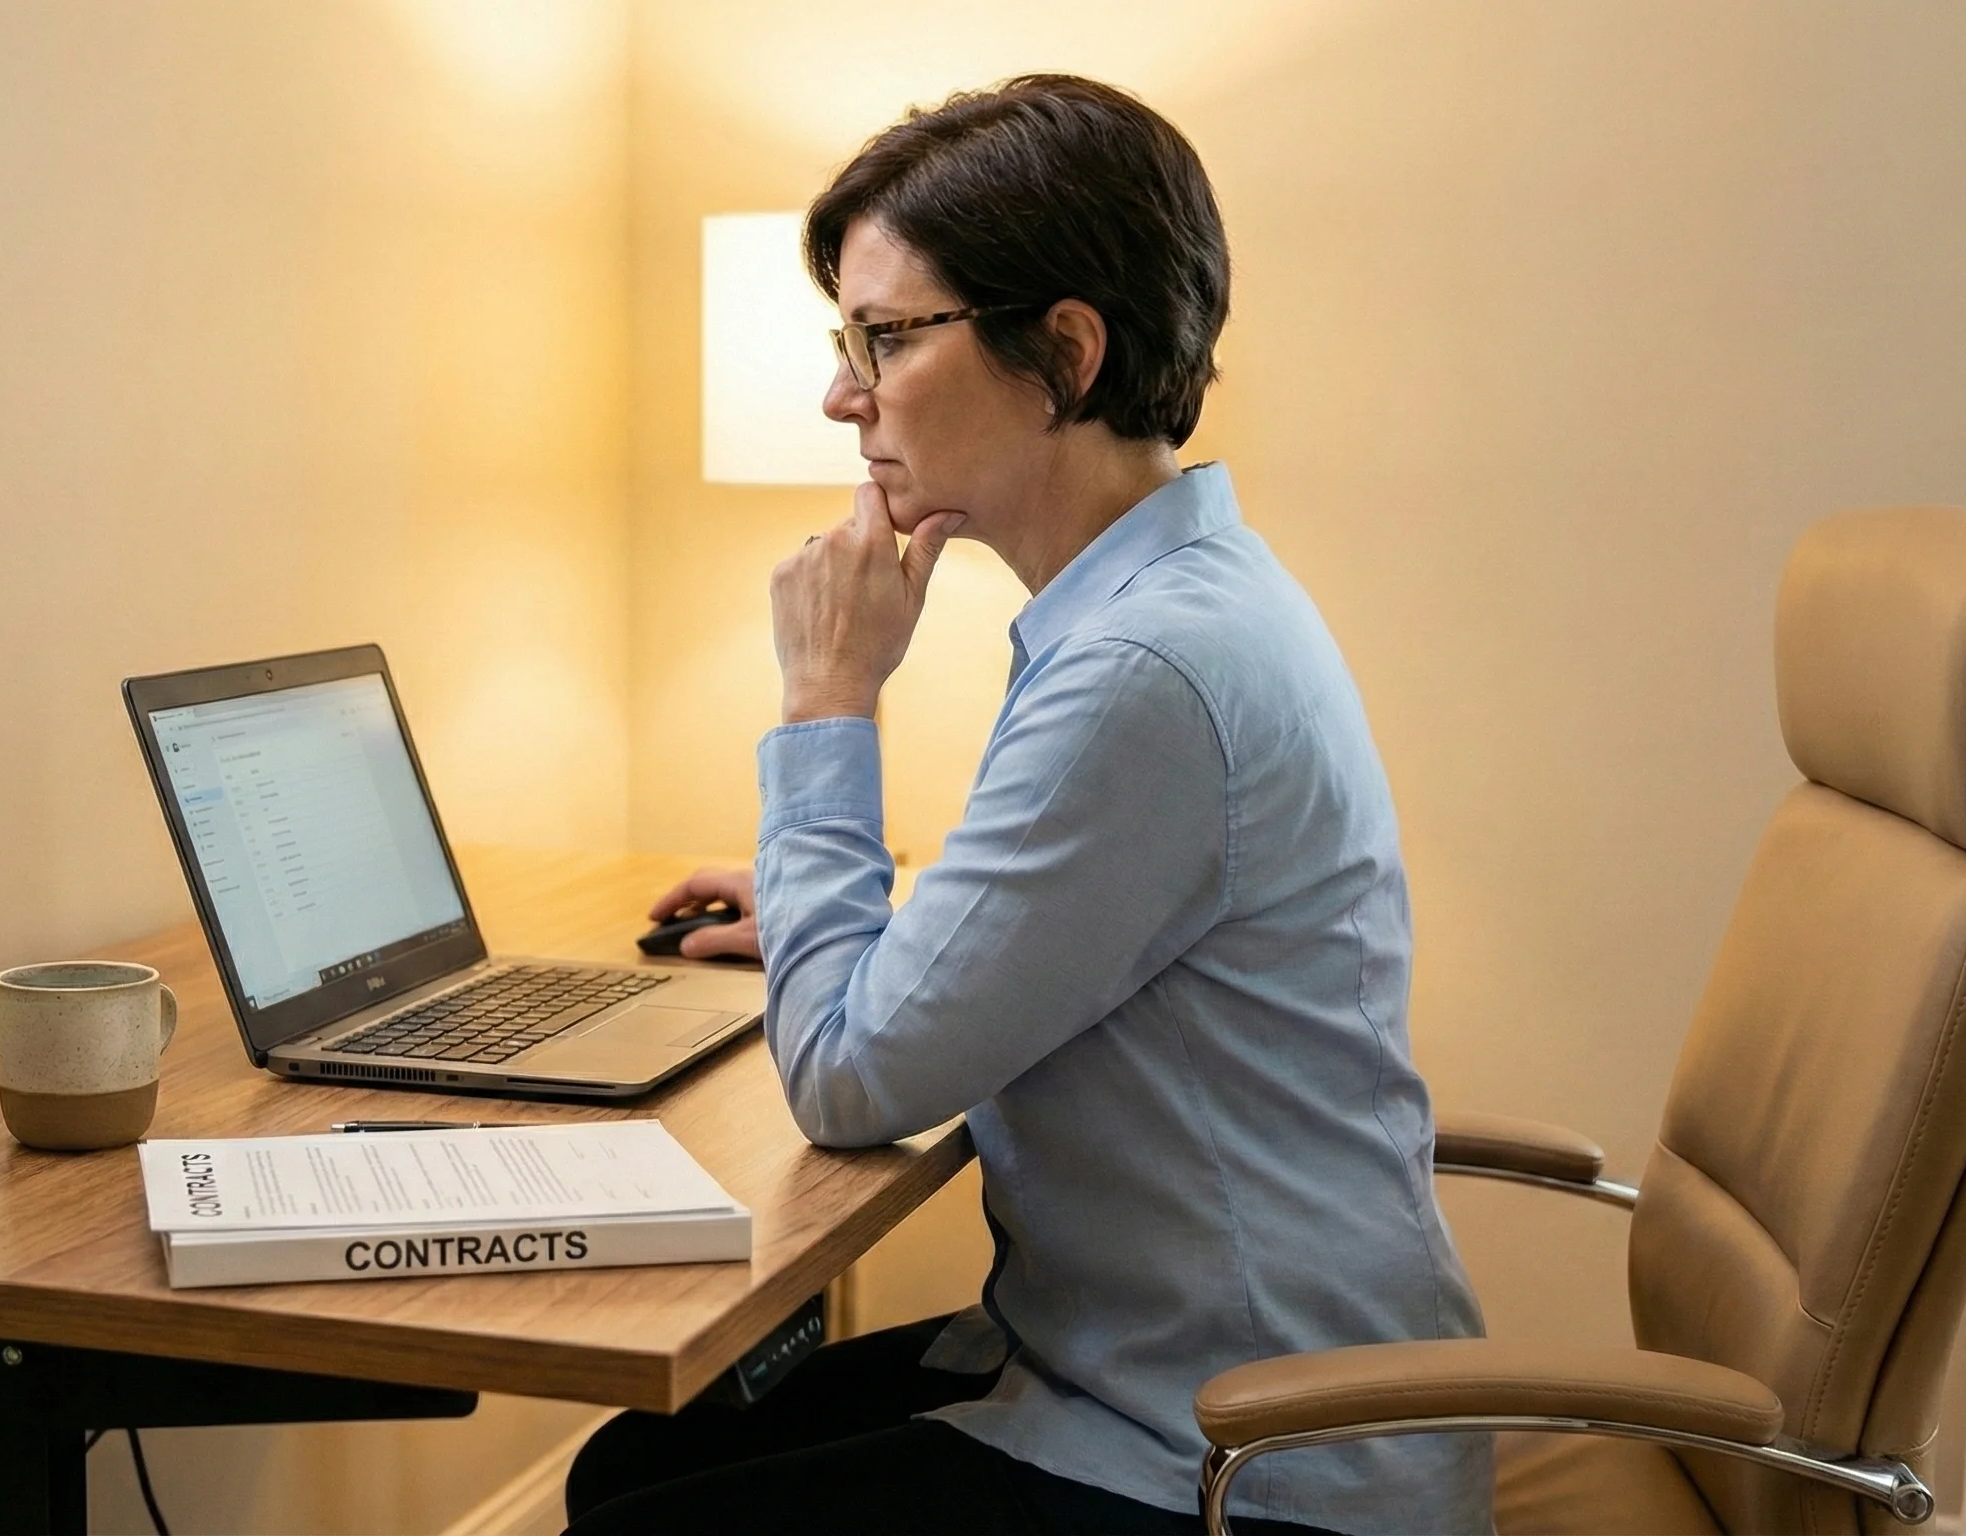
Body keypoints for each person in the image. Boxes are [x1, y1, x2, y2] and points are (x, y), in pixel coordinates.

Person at [566, 76, 1491, 1536]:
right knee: (640, 1463)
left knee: (637, 1510)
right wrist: (842, 910)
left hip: (1253, 1466)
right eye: (843, 339)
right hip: (1198, 1381)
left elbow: (854, 1081)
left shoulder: (1142, 668)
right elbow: (1083, 928)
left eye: (887, 337)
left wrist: (828, 698)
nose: (839, 394)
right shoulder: (1178, 597)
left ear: (1062, 351)